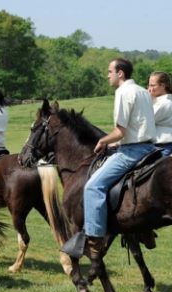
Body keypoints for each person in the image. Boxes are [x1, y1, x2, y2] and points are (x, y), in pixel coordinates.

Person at [61, 58, 157, 260]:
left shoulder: (123, 92)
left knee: (92, 186)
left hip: (133, 151)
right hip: (150, 147)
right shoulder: (143, 91)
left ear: (120, 73)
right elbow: (136, 127)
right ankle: (143, 229)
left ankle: (94, 240)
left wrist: (103, 141)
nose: (107, 75)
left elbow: (120, 131)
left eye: (109, 71)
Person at [148, 71, 172, 156]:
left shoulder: (164, 103)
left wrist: (147, 100)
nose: (149, 89)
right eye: (149, 85)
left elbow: (144, 120)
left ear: (163, 86)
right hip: (167, 146)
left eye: (153, 85)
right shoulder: (168, 102)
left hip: (163, 147)